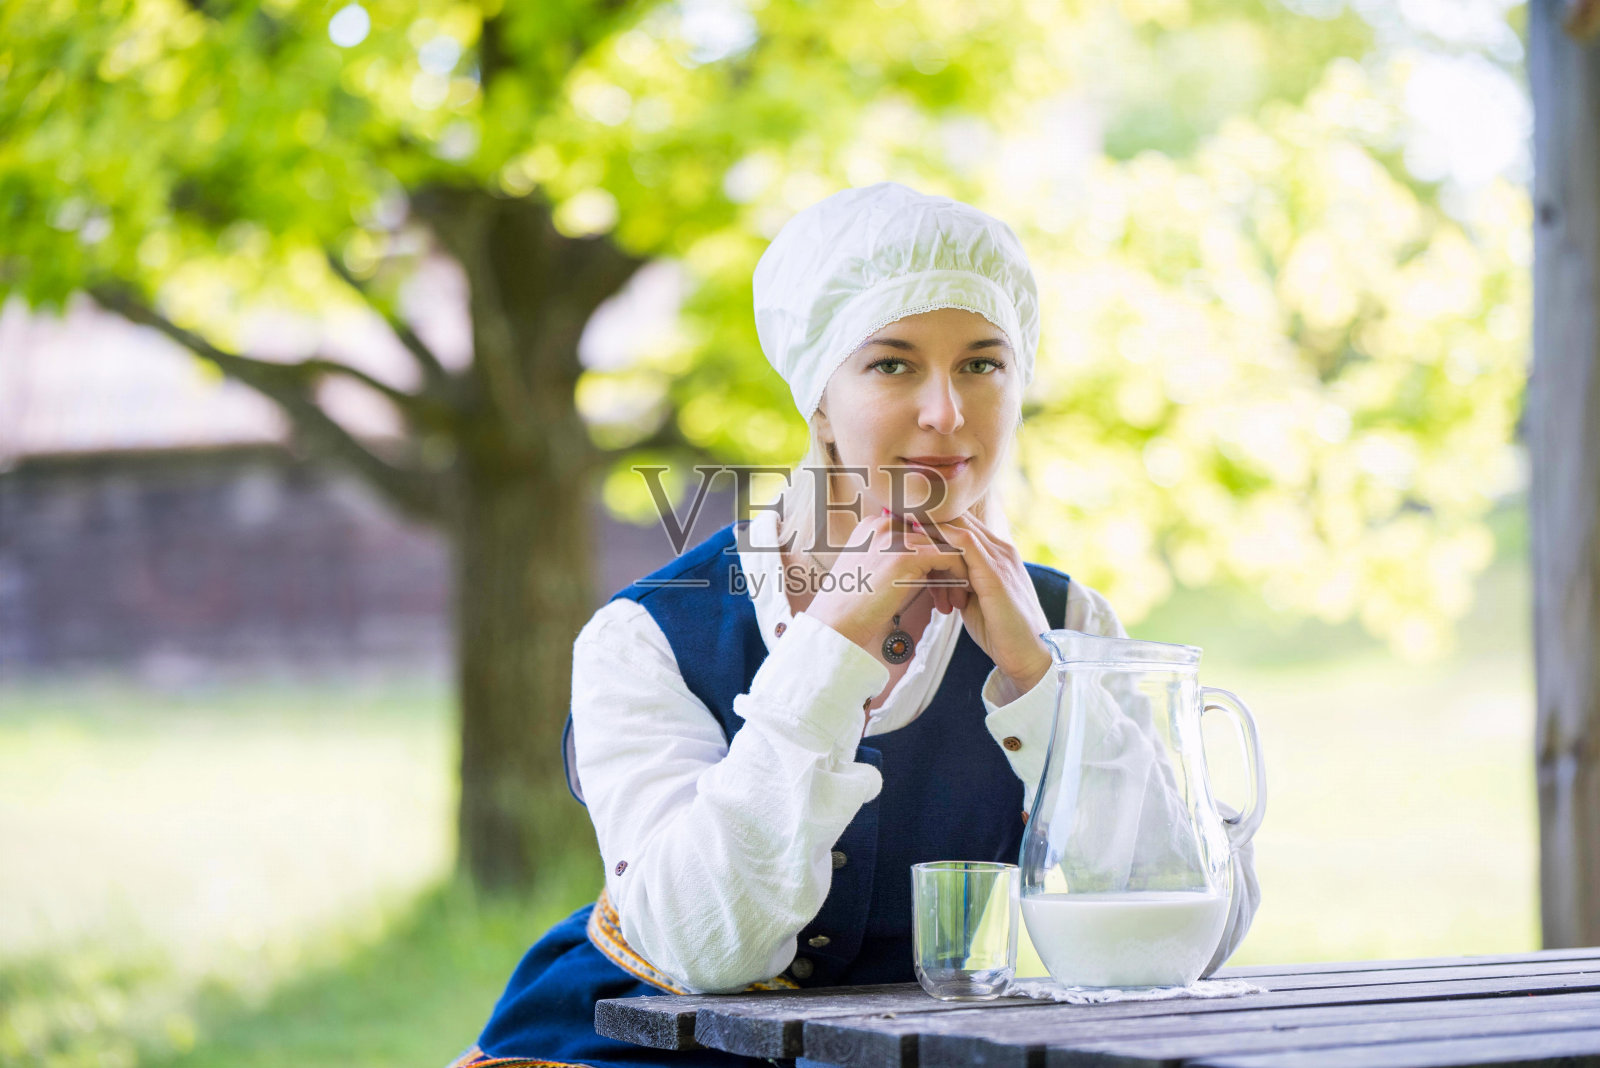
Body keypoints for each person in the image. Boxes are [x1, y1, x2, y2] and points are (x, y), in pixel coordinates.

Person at [448, 182, 1259, 1067]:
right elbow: (700, 950)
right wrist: (827, 655)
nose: (946, 411)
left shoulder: (1067, 624)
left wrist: (1041, 683)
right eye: (893, 364)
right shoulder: (647, 637)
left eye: (983, 364)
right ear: (819, 402)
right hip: (632, 1045)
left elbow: (1180, 944)